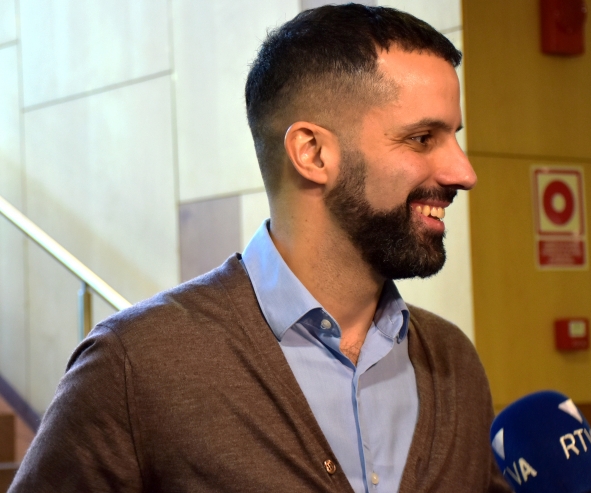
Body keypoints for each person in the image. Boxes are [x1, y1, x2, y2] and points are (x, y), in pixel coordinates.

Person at [10, 4, 510, 492]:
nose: (463, 173)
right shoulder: (135, 365)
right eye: (423, 138)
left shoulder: (453, 361)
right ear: (312, 153)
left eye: (454, 137)